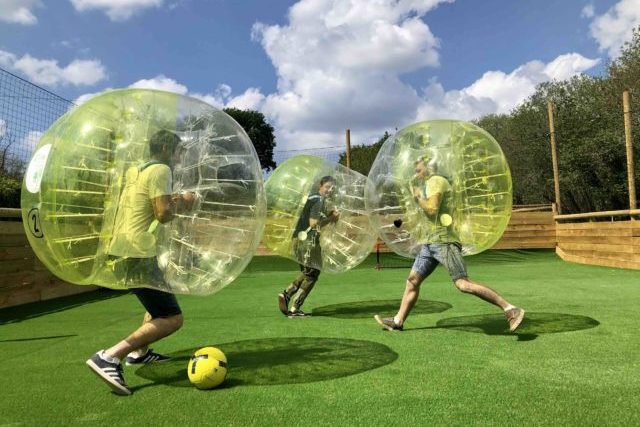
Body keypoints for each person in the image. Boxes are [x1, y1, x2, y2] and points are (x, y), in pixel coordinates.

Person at [86, 130, 196, 395]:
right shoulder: (161, 169)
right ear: (168, 149)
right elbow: (162, 213)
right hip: (136, 252)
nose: (181, 157)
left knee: (156, 299)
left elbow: (147, 207)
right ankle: (110, 356)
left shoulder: (138, 171)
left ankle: (139, 352)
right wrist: (186, 203)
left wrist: (175, 199)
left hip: (125, 248)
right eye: (179, 151)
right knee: (172, 318)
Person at [374, 156, 525, 332]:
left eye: (419, 169)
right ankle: (398, 321)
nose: (416, 173)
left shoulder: (436, 181)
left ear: (429, 168)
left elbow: (431, 208)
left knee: (462, 283)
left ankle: (510, 309)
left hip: (444, 242)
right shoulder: (430, 184)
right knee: (412, 281)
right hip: (430, 243)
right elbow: (428, 214)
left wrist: (417, 198)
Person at [278, 176, 340, 317]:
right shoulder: (318, 200)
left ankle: (286, 294)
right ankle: (294, 307)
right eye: (327, 187)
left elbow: (311, 217)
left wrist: (328, 215)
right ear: (321, 186)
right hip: (308, 242)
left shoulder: (310, 198)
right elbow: (313, 223)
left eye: (332, 188)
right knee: (312, 275)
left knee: (307, 273)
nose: (330, 190)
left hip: (298, 240)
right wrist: (332, 218)